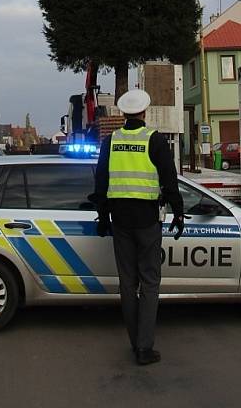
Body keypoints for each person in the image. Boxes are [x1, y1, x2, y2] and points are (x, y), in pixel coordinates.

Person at [90, 89, 184, 366]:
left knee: (127, 284)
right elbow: (170, 180)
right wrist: (178, 214)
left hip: (120, 221)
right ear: (144, 113)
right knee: (151, 282)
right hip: (147, 221)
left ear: (123, 114)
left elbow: (101, 182)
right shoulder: (154, 140)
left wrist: (103, 215)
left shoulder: (111, 141)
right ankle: (144, 347)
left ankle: (135, 343)